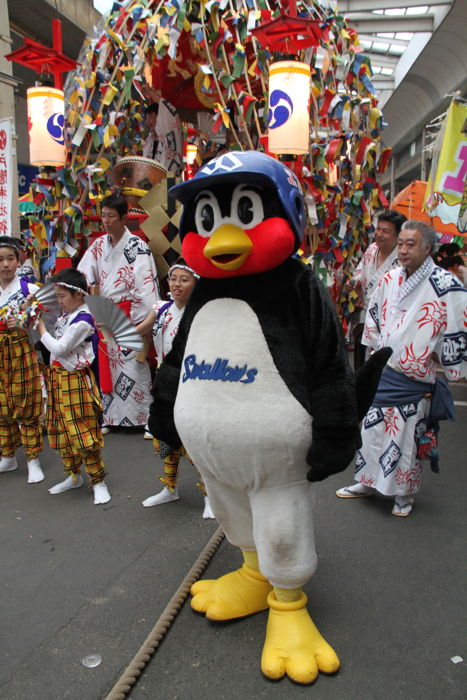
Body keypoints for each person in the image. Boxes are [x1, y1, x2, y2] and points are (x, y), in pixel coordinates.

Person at [337, 220, 467, 517]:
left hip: (415, 375)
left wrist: (448, 361)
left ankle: (404, 494)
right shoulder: (390, 278)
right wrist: (371, 347)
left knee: (405, 440)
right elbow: (374, 314)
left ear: (427, 248)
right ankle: (366, 481)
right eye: (402, 244)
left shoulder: (445, 285)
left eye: (411, 244)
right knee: (371, 431)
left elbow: (459, 324)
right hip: (384, 368)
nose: (404, 250)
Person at [137, 262, 215, 518]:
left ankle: (210, 496)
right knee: (165, 437)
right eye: (173, 279)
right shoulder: (161, 309)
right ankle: (169, 488)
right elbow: (139, 331)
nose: (177, 284)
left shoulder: (203, 312)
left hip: (193, 382)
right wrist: (112, 330)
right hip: (165, 380)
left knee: (194, 442)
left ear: (196, 284)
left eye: (184, 280)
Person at [78, 193, 159, 433]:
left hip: (129, 310)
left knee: (134, 366)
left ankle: (145, 418)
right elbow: (84, 274)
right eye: (103, 216)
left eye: (111, 216)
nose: (105, 221)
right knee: (108, 367)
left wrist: (142, 321)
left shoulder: (137, 246)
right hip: (104, 310)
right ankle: (111, 417)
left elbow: (146, 285)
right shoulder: (99, 245)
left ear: (124, 218)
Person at [36, 269, 111, 505]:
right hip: (57, 379)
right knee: (60, 431)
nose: (58, 301)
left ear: (78, 294)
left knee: (82, 430)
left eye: (62, 296)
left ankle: (98, 481)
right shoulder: (65, 316)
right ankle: (73, 475)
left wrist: (40, 329)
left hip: (75, 380)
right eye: (57, 296)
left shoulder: (84, 320)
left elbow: (59, 348)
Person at [0, 236, 44, 483]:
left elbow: (41, 325)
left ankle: (33, 458)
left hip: (20, 349)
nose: (5, 264)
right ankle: (8, 455)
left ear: (19, 261)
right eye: (1, 259)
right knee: (1, 404)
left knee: (26, 403)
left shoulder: (31, 290)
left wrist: (23, 322)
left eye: (10, 259)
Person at [346, 210, 407, 369]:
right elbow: (360, 270)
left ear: (398, 234)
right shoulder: (372, 249)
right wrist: (356, 282)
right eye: (378, 229)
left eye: (385, 231)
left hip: (390, 320)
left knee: (383, 365)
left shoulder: (403, 258)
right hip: (366, 316)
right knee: (362, 365)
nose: (379, 234)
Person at [142, 99, 183, 175]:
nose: (147, 122)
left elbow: (169, 113)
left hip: (169, 180)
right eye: (146, 118)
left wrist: (152, 93)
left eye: (150, 117)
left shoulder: (169, 135)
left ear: (159, 117)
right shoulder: (149, 141)